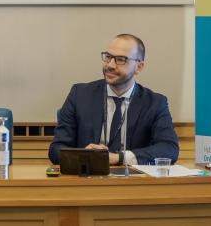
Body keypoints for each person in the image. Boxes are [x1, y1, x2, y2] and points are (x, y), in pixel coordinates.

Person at [49, 34, 179, 166]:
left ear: (139, 67)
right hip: (89, 176)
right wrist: (83, 156)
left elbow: (169, 149)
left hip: (133, 178)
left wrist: (120, 158)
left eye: (120, 60)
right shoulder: (79, 95)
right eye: (108, 57)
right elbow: (56, 150)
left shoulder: (155, 103)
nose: (110, 65)